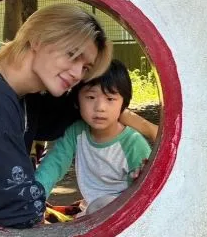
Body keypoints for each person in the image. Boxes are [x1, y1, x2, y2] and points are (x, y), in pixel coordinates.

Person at [0, 3, 156, 228]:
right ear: (37, 39)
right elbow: (20, 212)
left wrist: (151, 134)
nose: (77, 74)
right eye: (72, 54)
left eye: (86, 67)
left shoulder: (17, 81)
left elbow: (95, 109)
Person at [35, 60, 152, 216]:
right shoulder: (77, 131)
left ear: (124, 102)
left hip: (124, 213)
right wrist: (34, 195)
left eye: (110, 99)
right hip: (91, 210)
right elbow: (54, 164)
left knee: (102, 204)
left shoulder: (133, 144)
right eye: (91, 97)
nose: (100, 107)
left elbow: (145, 191)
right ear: (77, 100)